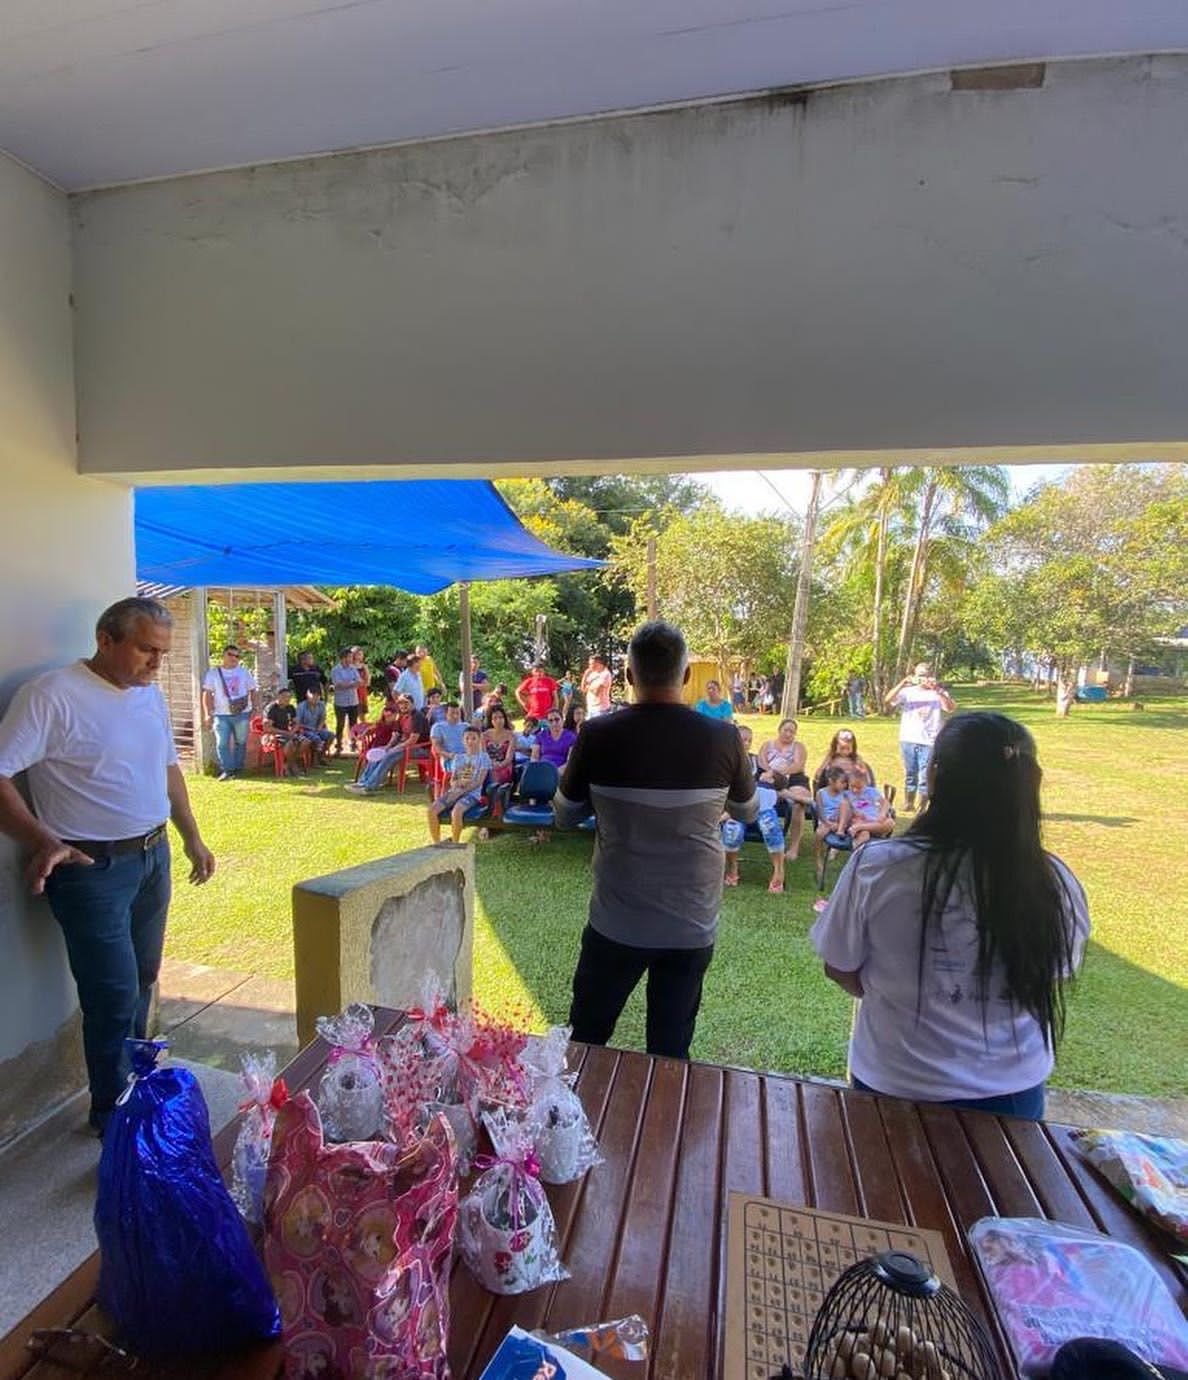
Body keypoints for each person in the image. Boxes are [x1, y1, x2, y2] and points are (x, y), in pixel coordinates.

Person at [0, 597, 215, 1136]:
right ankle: (112, 1116)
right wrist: (41, 838)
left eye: (162, 653)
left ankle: (134, 1087)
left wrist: (191, 837)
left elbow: (168, 769)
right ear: (105, 639)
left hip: (151, 856)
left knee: (142, 979)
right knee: (113, 993)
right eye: (146, 649)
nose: (156, 664)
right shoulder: (51, 696)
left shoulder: (148, 697)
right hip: (90, 869)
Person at [810, 711, 1090, 1120]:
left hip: (893, 1082)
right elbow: (1054, 971)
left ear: (934, 777)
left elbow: (840, 967)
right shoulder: (1056, 881)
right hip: (1014, 1092)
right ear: (1034, 781)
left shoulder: (878, 867)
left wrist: (903, 995)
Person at [554, 621, 758, 1060]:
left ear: (628, 677)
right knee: (670, 1050)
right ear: (685, 677)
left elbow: (564, 816)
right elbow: (748, 811)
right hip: (691, 921)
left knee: (585, 1041)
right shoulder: (723, 738)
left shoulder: (598, 735)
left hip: (616, 919)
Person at [884, 663, 956, 811]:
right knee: (911, 772)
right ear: (915, 676)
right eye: (920, 675)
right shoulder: (907, 692)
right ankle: (908, 802)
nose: (923, 678)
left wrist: (937, 690)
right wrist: (902, 683)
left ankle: (922, 805)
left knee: (925, 774)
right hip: (909, 738)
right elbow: (888, 700)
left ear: (931, 676)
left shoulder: (938, 692)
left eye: (926, 675)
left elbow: (950, 708)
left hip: (930, 739)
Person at [756, 718, 814, 860]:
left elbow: (798, 766)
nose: (788, 734)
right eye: (786, 730)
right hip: (771, 778)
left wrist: (782, 772)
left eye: (792, 732)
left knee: (798, 805)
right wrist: (772, 773)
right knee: (767, 790)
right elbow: (761, 762)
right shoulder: (767, 745)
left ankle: (794, 848)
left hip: (794, 778)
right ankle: (785, 794)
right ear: (779, 730)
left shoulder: (798, 747)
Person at [201, 643, 260, 780]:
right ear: (224, 655)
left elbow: (253, 690)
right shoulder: (213, 673)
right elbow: (207, 693)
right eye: (230, 654)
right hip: (221, 714)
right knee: (222, 743)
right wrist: (207, 713)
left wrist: (256, 708)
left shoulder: (244, 672)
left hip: (242, 712)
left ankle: (238, 769)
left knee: (241, 741)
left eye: (237, 656)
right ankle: (228, 769)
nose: (234, 658)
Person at [347, 696, 428, 793]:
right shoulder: (402, 716)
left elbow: (413, 740)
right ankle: (363, 782)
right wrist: (387, 746)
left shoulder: (417, 717)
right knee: (379, 753)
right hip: (404, 746)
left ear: (412, 704)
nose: (403, 706)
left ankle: (370, 786)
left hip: (420, 748)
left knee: (389, 755)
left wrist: (395, 748)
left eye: (406, 703)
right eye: (401, 703)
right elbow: (396, 734)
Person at [426, 727, 491, 845]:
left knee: (457, 812)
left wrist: (462, 791)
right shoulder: (458, 758)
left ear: (479, 739)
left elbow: (479, 782)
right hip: (455, 791)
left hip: (472, 795)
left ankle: (455, 843)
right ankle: (437, 843)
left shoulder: (483, 757)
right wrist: (457, 785)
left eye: (473, 738)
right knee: (431, 810)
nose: (470, 741)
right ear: (463, 740)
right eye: (467, 738)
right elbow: (452, 781)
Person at [838, 763, 893, 847]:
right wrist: (853, 812)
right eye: (852, 786)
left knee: (890, 822)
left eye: (859, 787)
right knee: (864, 835)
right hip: (859, 820)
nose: (855, 790)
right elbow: (844, 809)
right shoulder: (847, 794)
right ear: (848, 783)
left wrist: (882, 813)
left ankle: (860, 827)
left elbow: (886, 803)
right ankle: (857, 853)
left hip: (875, 821)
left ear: (865, 784)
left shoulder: (871, 791)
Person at [812, 729, 875, 793]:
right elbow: (818, 776)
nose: (845, 751)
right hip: (834, 790)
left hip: (852, 790)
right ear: (835, 746)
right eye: (842, 748)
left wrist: (858, 768)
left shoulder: (856, 759)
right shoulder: (830, 758)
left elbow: (867, 778)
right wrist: (826, 763)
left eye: (848, 748)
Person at [263, 687, 306, 775]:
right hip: (275, 735)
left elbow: (297, 723)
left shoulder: (290, 708)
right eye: (284, 697)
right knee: (290, 744)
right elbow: (268, 728)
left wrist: (292, 731)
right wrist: (285, 733)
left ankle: (287, 764)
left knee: (306, 741)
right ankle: (293, 765)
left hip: (288, 733)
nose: (287, 699)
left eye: (289, 697)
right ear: (278, 696)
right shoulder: (271, 708)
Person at [329, 647, 362, 754]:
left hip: (353, 700)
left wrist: (348, 684)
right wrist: (352, 683)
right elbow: (338, 685)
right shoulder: (335, 670)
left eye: (351, 657)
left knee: (353, 724)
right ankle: (339, 745)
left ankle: (353, 744)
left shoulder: (353, 669)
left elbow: (359, 682)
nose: (351, 659)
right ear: (343, 658)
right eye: (349, 657)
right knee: (340, 724)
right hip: (340, 702)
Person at [295, 684, 334, 761]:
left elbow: (322, 718)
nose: (315, 698)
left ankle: (322, 755)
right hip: (305, 729)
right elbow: (298, 723)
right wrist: (310, 729)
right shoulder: (301, 706)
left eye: (317, 696)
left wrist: (319, 727)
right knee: (316, 738)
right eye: (313, 695)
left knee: (330, 735)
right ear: (307, 695)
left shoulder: (321, 705)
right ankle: (314, 759)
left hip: (316, 728)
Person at [429, 701, 467, 770]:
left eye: (457, 713)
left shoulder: (466, 726)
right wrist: (448, 755)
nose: (455, 716)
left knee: (485, 763)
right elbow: (436, 746)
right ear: (446, 714)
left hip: (467, 757)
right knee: (463, 765)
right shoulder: (438, 727)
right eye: (452, 713)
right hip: (450, 759)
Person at [580, 654, 613, 720]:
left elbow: (596, 692)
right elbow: (583, 689)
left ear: (598, 663)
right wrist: (585, 675)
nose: (589, 666)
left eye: (591, 664)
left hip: (601, 709)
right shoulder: (592, 674)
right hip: (590, 708)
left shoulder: (606, 674)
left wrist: (588, 687)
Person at [351, 647, 371, 722]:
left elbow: (368, 681)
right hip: (353, 692)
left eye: (361, 654)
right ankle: (351, 732)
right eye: (358, 654)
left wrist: (365, 680)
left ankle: (363, 730)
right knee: (352, 715)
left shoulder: (364, 666)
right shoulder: (350, 667)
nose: (360, 656)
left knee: (362, 714)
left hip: (362, 691)